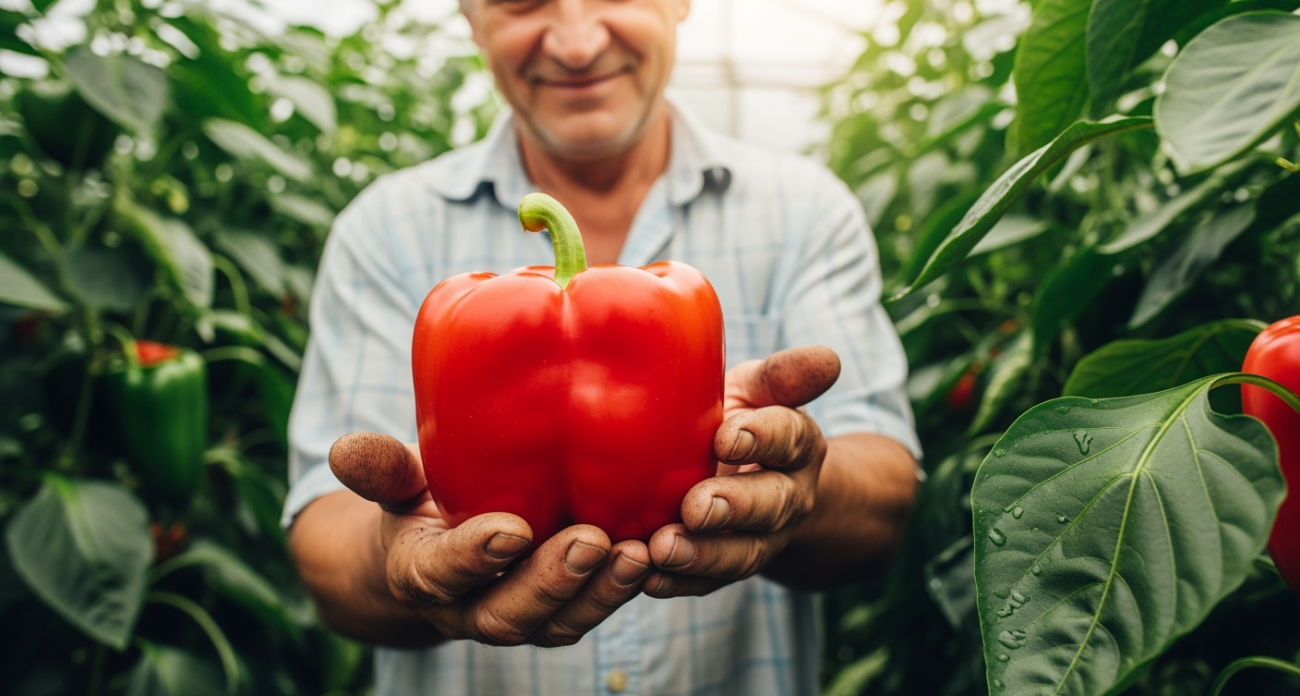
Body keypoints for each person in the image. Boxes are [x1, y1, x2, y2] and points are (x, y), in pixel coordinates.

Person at [284, 0, 922, 694]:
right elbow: (325, 533)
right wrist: (394, 566)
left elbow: (884, 494)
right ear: (469, 16)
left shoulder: (805, 209)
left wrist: (796, 486)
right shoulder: (383, 230)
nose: (578, 43)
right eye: (523, 1)